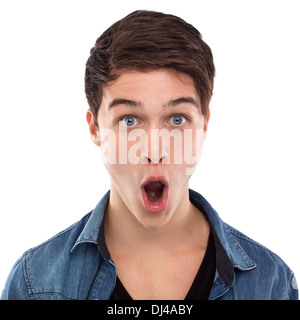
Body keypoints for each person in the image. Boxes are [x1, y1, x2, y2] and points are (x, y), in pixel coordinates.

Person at [1, 10, 298, 300]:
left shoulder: (272, 283)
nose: (155, 151)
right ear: (95, 129)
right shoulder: (34, 284)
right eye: (129, 120)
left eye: (177, 119)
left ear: (204, 125)